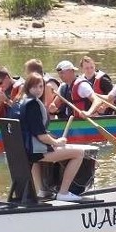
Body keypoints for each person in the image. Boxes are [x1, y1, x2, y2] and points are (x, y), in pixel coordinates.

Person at [18, 72, 86, 202]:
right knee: (79, 153)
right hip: (35, 152)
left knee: (39, 159)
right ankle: (63, 192)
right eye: (34, 87)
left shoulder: (20, 102)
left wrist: (53, 140)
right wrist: (57, 142)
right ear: (28, 87)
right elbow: (42, 136)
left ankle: (43, 191)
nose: (38, 90)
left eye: (40, 87)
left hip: (25, 151)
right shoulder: (33, 105)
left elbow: (34, 131)